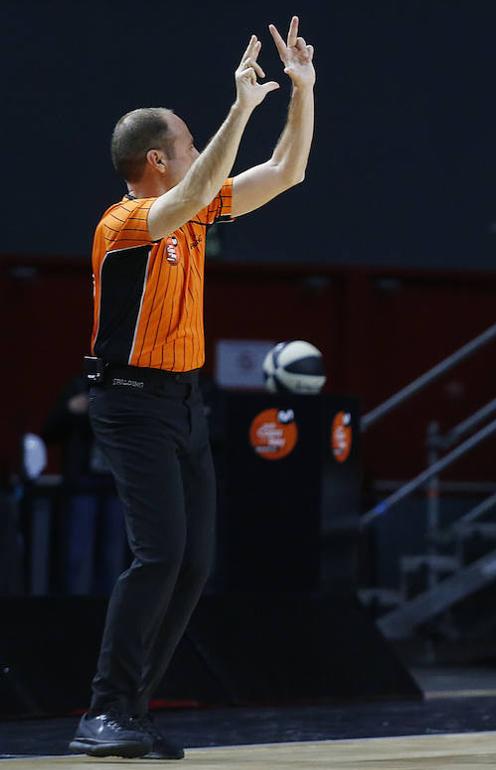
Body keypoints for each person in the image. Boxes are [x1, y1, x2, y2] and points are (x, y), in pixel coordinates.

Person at [70, 19, 315, 760]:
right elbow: (206, 181)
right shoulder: (127, 223)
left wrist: (301, 93)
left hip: (183, 400)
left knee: (194, 561)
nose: (198, 149)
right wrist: (239, 107)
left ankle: (131, 714)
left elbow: (286, 171)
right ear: (158, 159)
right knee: (159, 554)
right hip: (130, 402)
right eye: (186, 140)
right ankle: (103, 712)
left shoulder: (194, 209)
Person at [42, 374, 127, 595]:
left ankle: (111, 618)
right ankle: (77, 616)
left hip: (117, 485)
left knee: (113, 556)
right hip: (83, 483)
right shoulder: (79, 387)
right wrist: (70, 409)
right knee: (78, 554)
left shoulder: (131, 388)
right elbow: (49, 431)